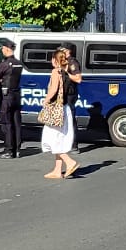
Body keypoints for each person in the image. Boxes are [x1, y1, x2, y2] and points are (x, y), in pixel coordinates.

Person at [41, 47, 83, 179]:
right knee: (59, 138)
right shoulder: (65, 72)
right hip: (64, 108)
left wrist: (45, 100)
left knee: (52, 138)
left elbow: (53, 90)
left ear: (54, 60)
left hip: (56, 109)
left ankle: (70, 162)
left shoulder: (55, 71)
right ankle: (57, 170)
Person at [0, 44, 25, 158]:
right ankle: (17, 149)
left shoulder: (5, 64)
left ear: (7, 49)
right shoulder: (18, 63)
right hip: (17, 94)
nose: (2, 51)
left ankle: (8, 150)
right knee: (17, 123)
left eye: (2, 49)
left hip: (7, 96)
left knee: (7, 123)